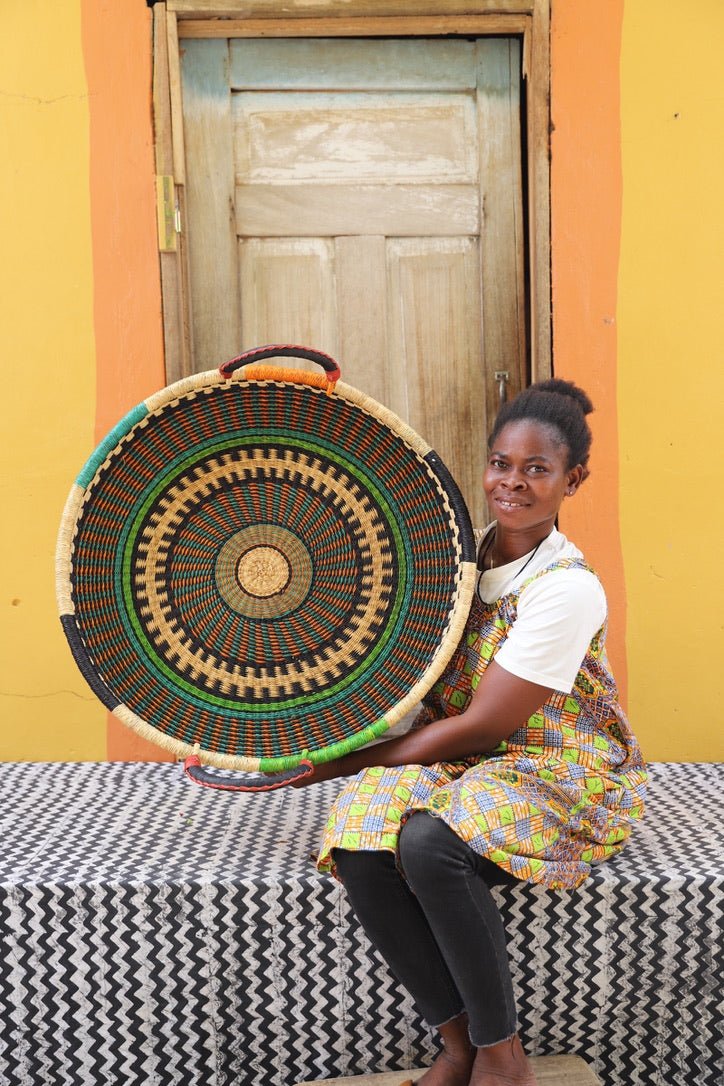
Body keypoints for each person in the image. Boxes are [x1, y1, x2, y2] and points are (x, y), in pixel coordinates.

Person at [294, 379, 647, 1086]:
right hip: (469, 758)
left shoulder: (565, 588)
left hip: (558, 767)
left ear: (573, 479)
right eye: (500, 463)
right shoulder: (463, 559)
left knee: (431, 843)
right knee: (359, 837)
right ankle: (456, 1047)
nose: (511, 482)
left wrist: (334, 764)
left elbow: (487, 722)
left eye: (536, 469)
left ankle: (502, 1055)